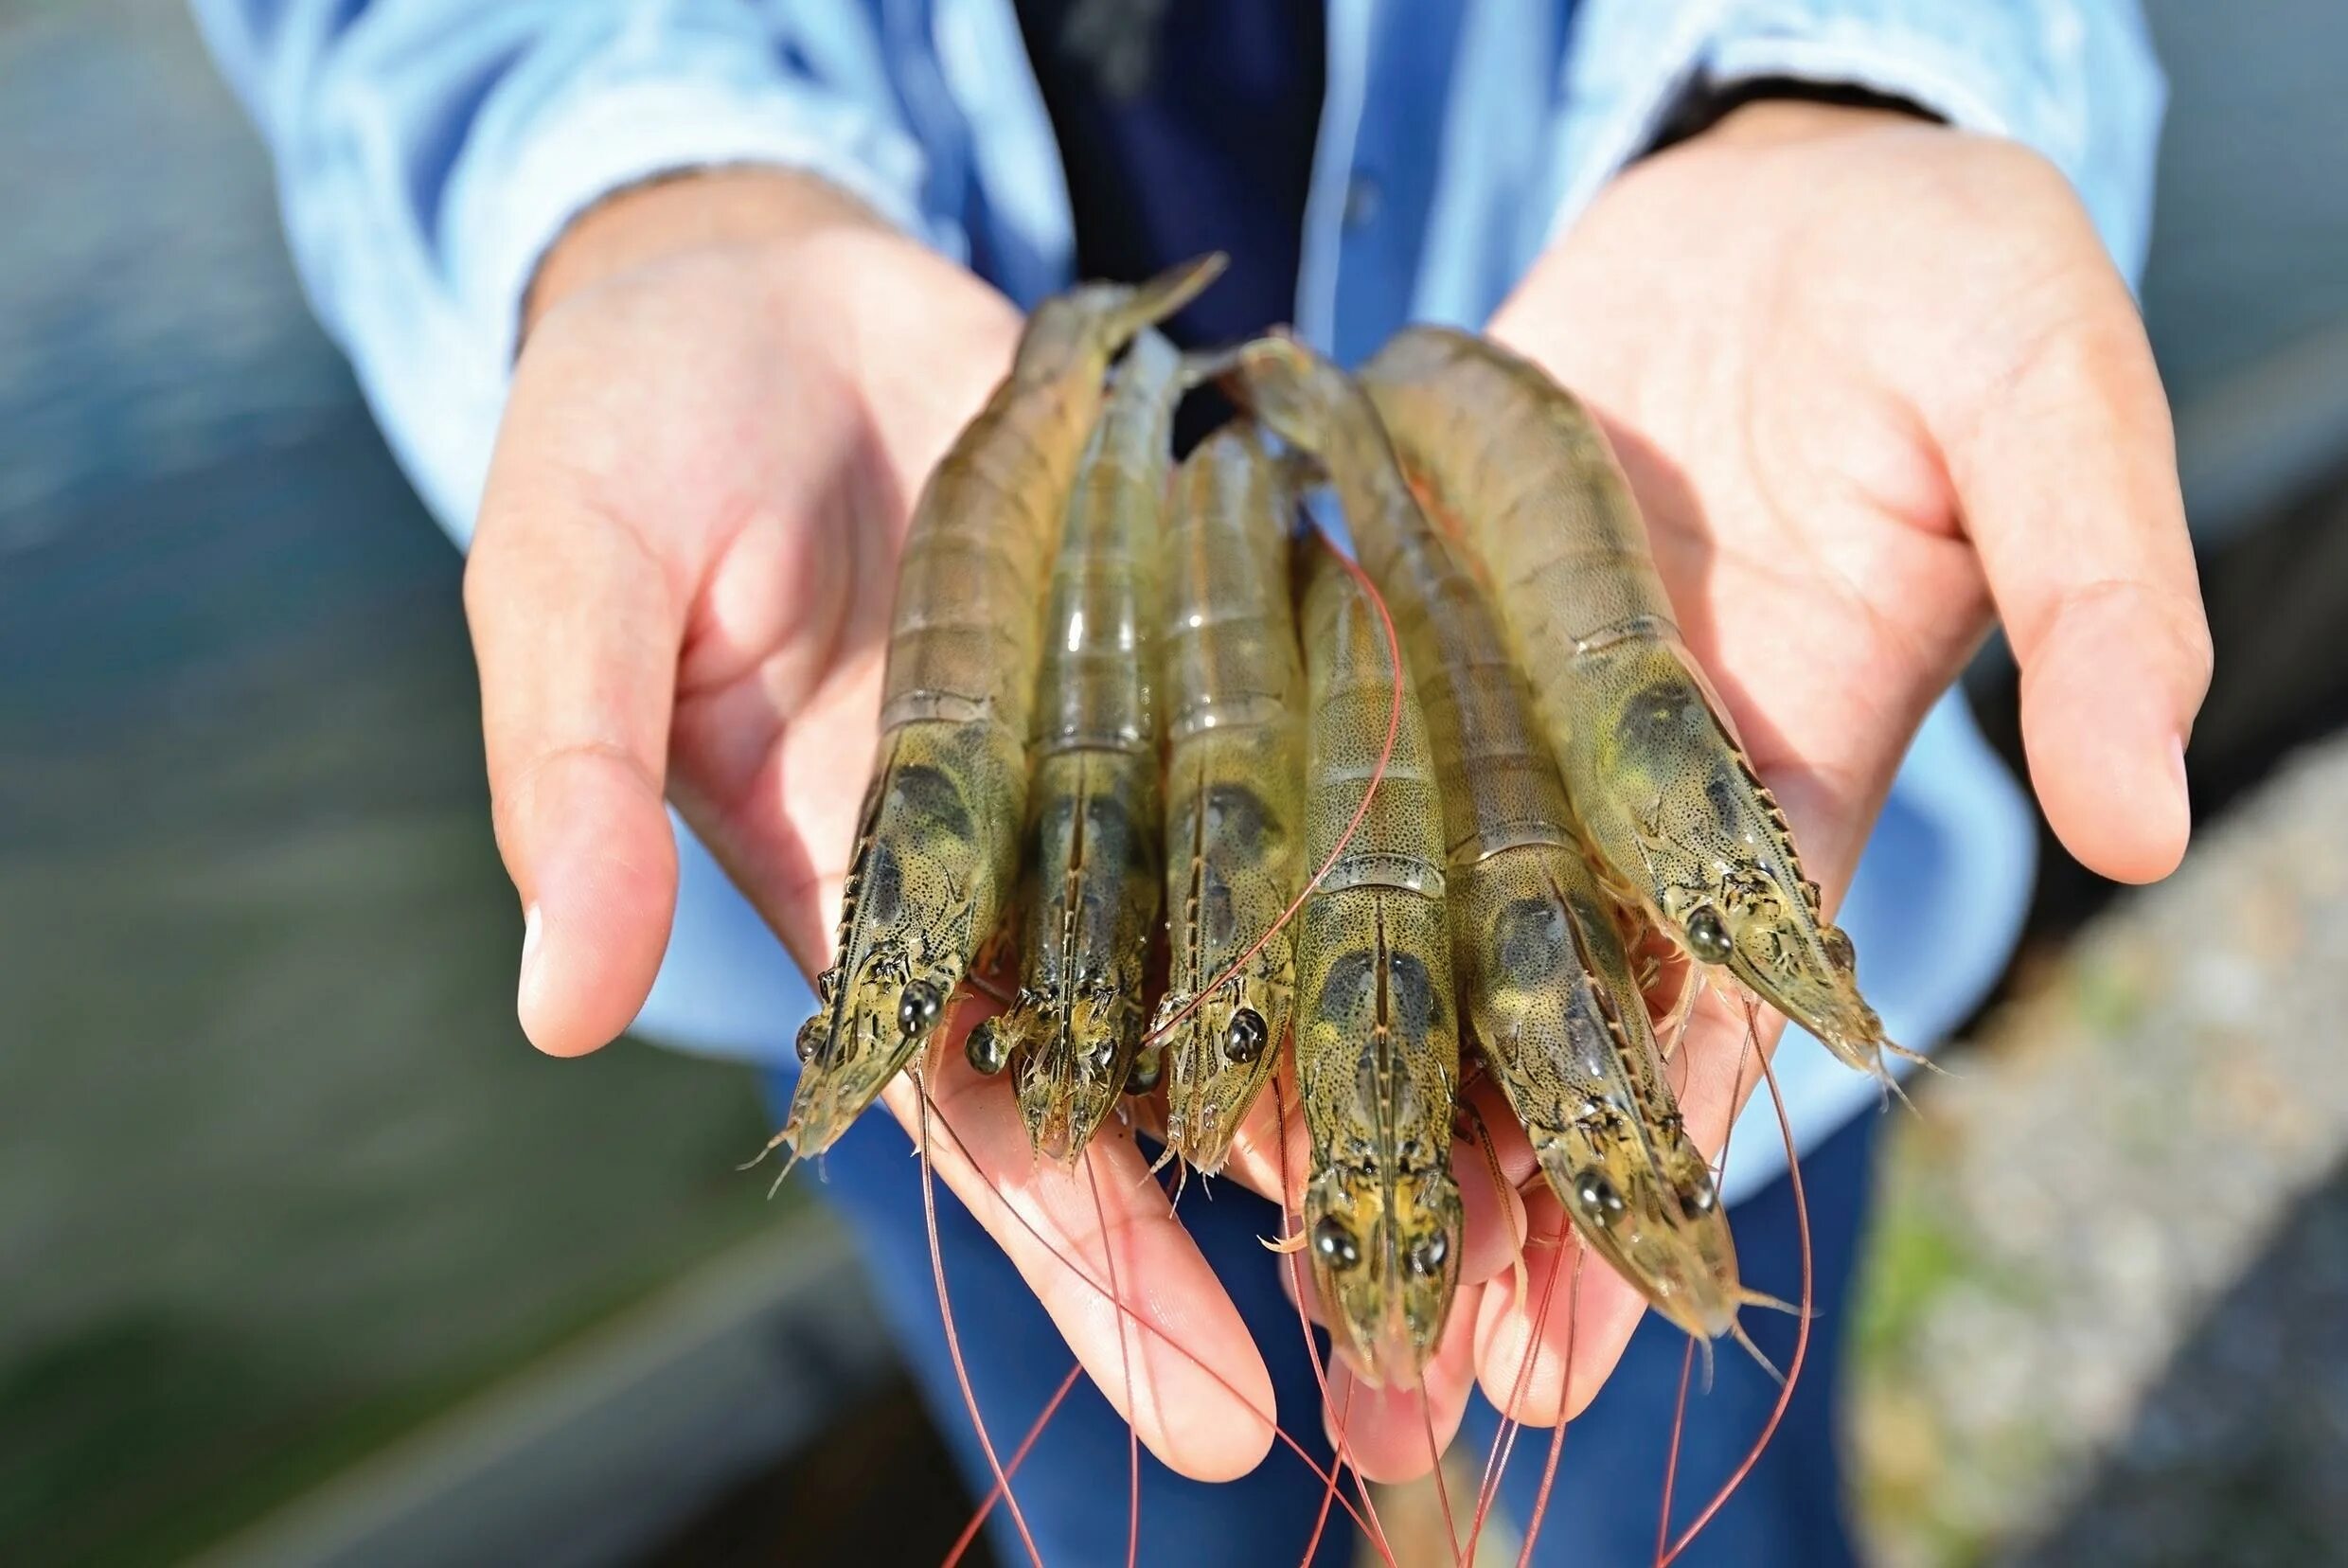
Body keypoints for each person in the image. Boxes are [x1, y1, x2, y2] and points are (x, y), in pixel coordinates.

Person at [193, 3, 2211, 1561]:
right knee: (1146, 1481)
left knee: (1681, 1497)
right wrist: (656, 186)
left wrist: (1838, 79)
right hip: (874, 680)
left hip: (1624, 425)